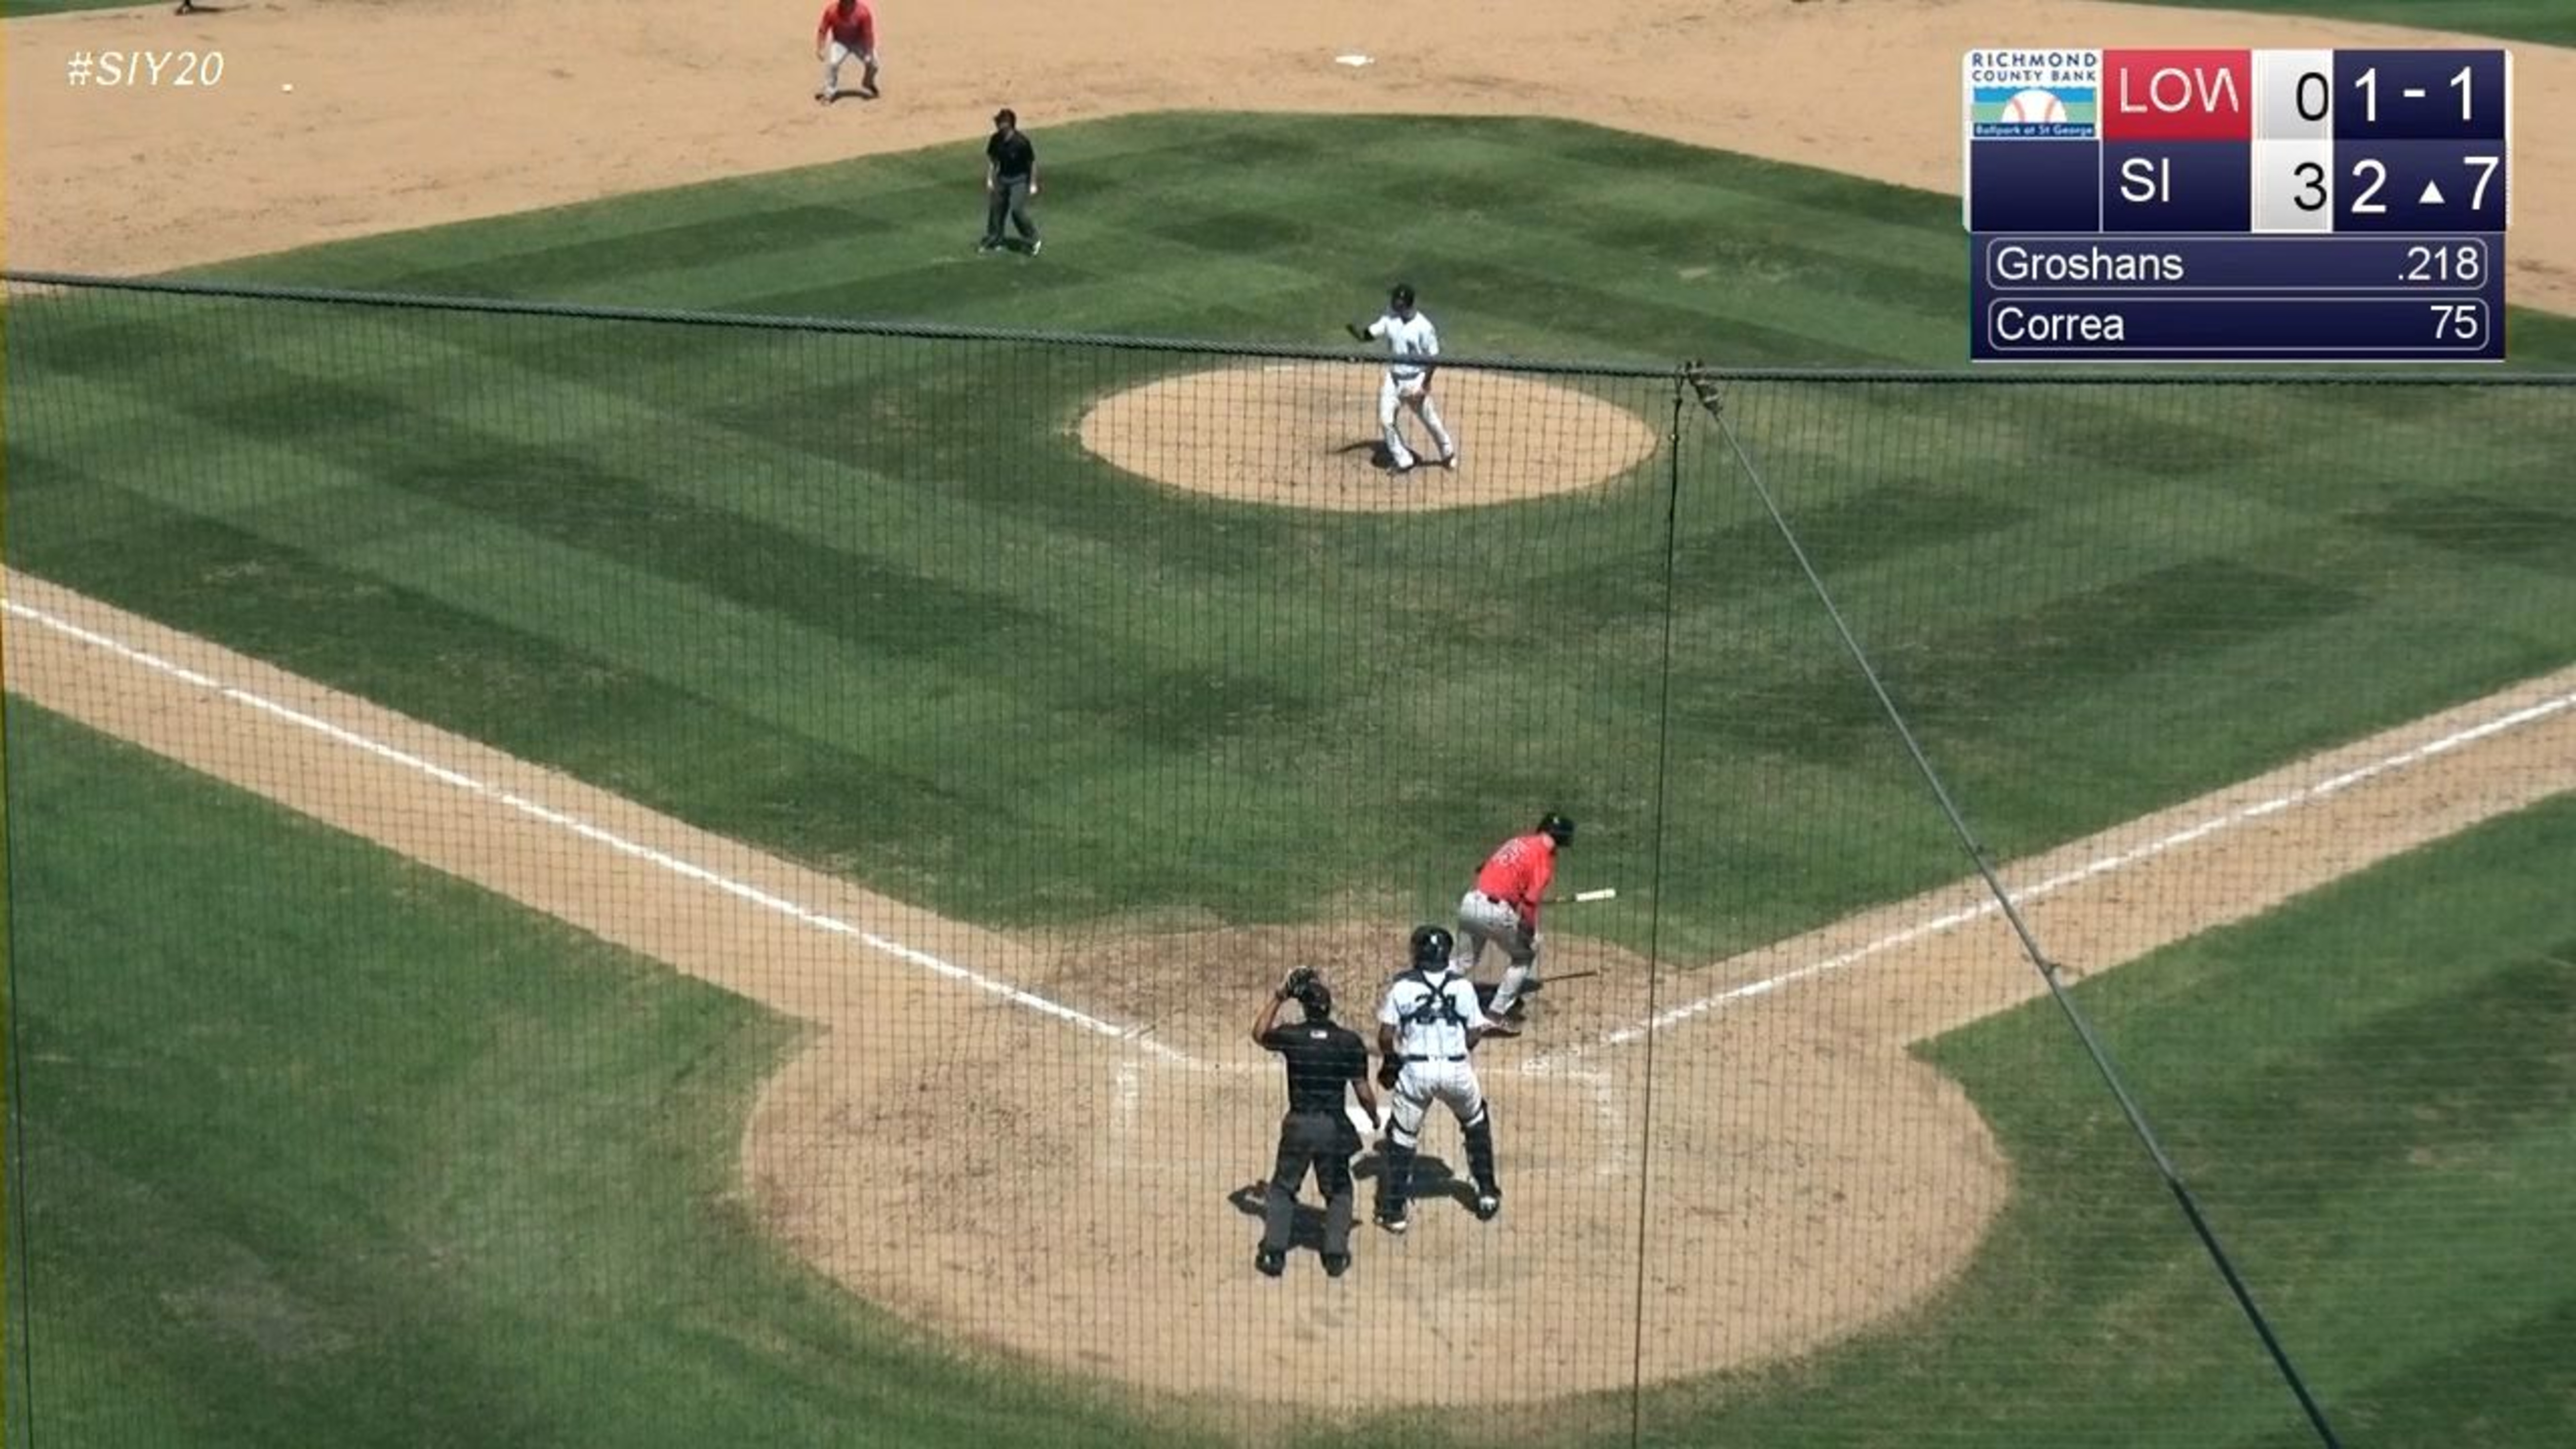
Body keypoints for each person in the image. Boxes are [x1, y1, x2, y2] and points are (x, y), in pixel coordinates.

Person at [1372, 925, 1517, 1234]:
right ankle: (1488, 1194)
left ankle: (1394, 1210)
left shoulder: (1402, 988)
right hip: (1456, 1072)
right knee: (1476, 1121)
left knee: (1402, 1137)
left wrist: (1391, 1061)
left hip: (1416, 1073)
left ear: (1417, 954)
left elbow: (1386, 1036)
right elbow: (1476, 1033)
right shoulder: (1463, 988)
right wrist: (1457, 1053)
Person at [1249, 967, 1378, 1278]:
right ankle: (1335, 1255)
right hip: (1334, 1128)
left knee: (1282, 1189)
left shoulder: (1294, 1037)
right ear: (1329, 1007)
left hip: (1298, 1125)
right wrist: (1373, 1117)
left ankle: (1273, 1255)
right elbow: (1363, 1091)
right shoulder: (1348, 1042)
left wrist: (1279, 996)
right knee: (1339, 1190)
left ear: (1305, 1008)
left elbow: (1259, 1033)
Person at [1460, 813, 1575, 1022]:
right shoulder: (1544, 858)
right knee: (1525, 956)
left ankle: (1431, 993)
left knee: (1465, 961)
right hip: (1495, 912)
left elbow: (1483, 867)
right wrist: (1528, 930)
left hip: (1470, 904)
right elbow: (1531, 903)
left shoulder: (1517, 842)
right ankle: (1496, 1014)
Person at [1344, 283, 1458, 474]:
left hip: (1415, 381)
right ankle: (1404, 460)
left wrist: (1425, 384)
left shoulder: (1424, 327)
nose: (1393, 304)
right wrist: (1357, 334)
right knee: (1386, 420)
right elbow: (1371, 334)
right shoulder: (1390, 317)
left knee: (1429, 419)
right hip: (1393, 379)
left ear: (1407, 304)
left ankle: (1448, 453)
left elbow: (1434, 357)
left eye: (1397, 301)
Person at [980, 109, 1042, 255]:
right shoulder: (996, 139)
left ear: (1008, 125)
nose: (997, 124)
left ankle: (1033, 240)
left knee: (1017, 210)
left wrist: (1033, 184)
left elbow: (1031, 163)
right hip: (1003, 178)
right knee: (996, 208)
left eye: (1000, 122)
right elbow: (994, 161)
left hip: (1019, 179)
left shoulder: (1021, 142)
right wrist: (990, 178)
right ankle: (995, 239)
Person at [813, 0, 880, 104]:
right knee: (833, 64)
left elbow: (868, 34)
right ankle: (829, 93)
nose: (846, 4)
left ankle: (868, 82)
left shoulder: (863, 13)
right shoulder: (832, 11)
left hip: (859, 42)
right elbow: (823, 29)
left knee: (874, 64)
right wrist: (820, 48)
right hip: (840, 43)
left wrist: (869, 52)